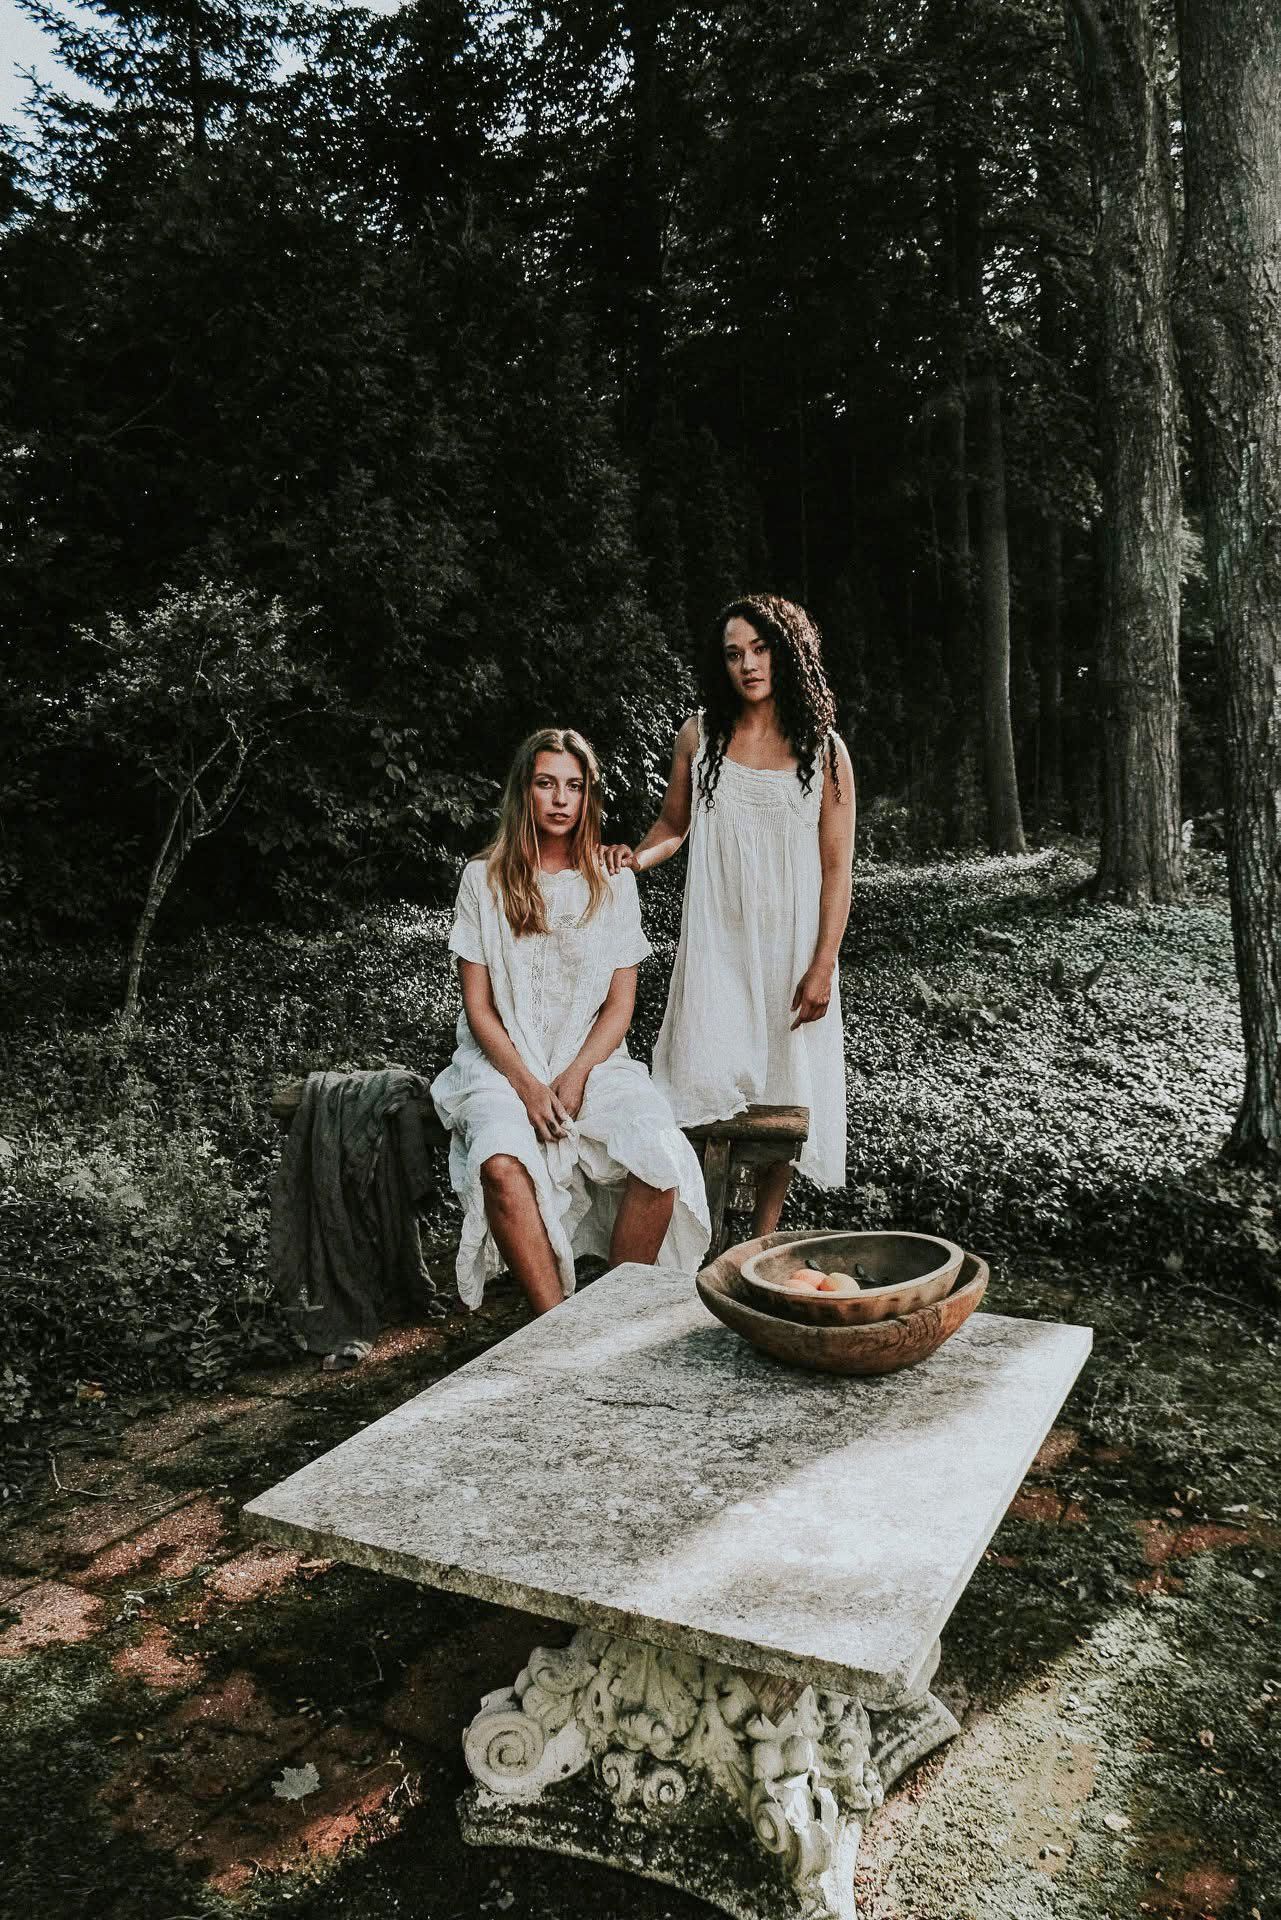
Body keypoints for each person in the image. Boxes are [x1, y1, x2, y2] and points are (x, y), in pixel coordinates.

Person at [431, 727, 710, 1314]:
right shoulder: (482, 880)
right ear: (523, 792)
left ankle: (606, 1320)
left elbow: (619, 1005)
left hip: (596, 1060)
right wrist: (529, 1088)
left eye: (574, 787)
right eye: (546, 783)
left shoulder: (612, 879)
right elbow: (479, 1008)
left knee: (660, 1159)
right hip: (502, 1065)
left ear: (588, 798)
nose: (560, 799)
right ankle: (555, 1325)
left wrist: (579, 1072)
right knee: (501, 1165)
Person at [603, 594, 855, 1234]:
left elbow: (836, 870)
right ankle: (699, 1233)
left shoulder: (825, 753)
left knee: (784, 1091)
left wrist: (823, 965)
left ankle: (761, 1240)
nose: (747, 664)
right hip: (719, 943)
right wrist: (636, 858)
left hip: (790, 950)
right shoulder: (702, 737)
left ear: (789, 651)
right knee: (700, 1079)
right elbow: (672, 823)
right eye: (734, 653)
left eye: (761, 648)